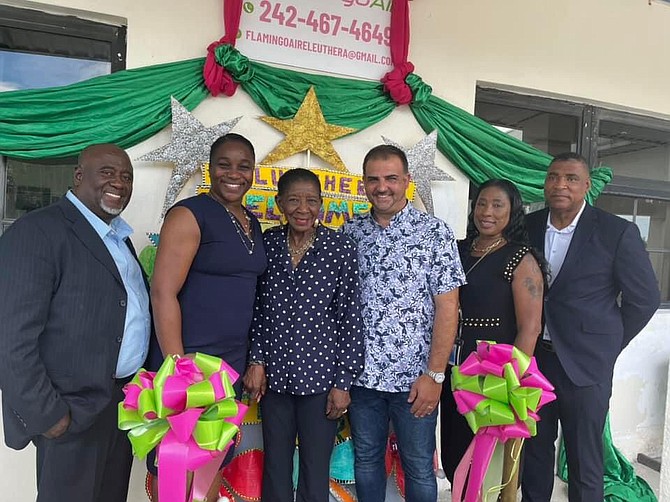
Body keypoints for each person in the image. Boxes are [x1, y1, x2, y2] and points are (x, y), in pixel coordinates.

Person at [0, 144, 151, 502]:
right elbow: (11, 336)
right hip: (71, 411)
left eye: (127, 176)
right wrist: (47, 414)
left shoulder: (119, 239)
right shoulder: (37, 231)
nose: (119, 182)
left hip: (120, 406)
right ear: (79, 176)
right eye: (108, 172)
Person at [521, 152, 660, 502]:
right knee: (533, 452)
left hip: (585, 365)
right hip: (535, 360)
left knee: (585, 458)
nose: (560, 185)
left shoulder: (616, 231)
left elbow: (643, 299)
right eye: (553, 177)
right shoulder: (529, 226)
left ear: (586, 186)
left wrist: (607, 344)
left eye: (570, 178)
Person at [341, 144, 465, 502]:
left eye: (391, 178)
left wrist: (435, 375)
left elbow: (447, 307)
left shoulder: (434, 233)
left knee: (419, 467)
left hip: (416, 380)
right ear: (363, 184)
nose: (383, 187)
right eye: (374, 179)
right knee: (365, 461)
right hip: (362, 380)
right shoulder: (351, 234)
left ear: (407, 181)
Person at [147, 133, 267, 499]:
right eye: (224, 165)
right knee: (178, 463)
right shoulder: (189, 214)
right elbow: (162, 292)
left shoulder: (250, 221)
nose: (234, 173)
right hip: (189, 363)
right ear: (209, 169)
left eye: (244, 166)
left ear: (253, 172)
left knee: (214, 455)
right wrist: (177, 367)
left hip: (227, 365)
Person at [244, 168, 364, 502]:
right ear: (280, 202)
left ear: (322, 204)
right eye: (294, 199)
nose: (303, 208)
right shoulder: (266, 244)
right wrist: (256, 360)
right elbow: (257, 310)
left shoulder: (339, 248)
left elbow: (350, 317)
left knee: (314, 470)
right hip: (274, 380)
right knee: (276, 468)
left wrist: (343, 382)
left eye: (311, 200)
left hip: (321, 382)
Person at [439, 179, 547, 497]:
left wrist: (510, 383)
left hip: (493, 379)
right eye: (482, 203)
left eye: (497, 205)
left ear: (512, 211)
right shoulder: (458, 249)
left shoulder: (520, 258)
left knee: (488, 464)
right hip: (452, 369)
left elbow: (531, 328)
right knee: (455, 454)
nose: (487, 211)